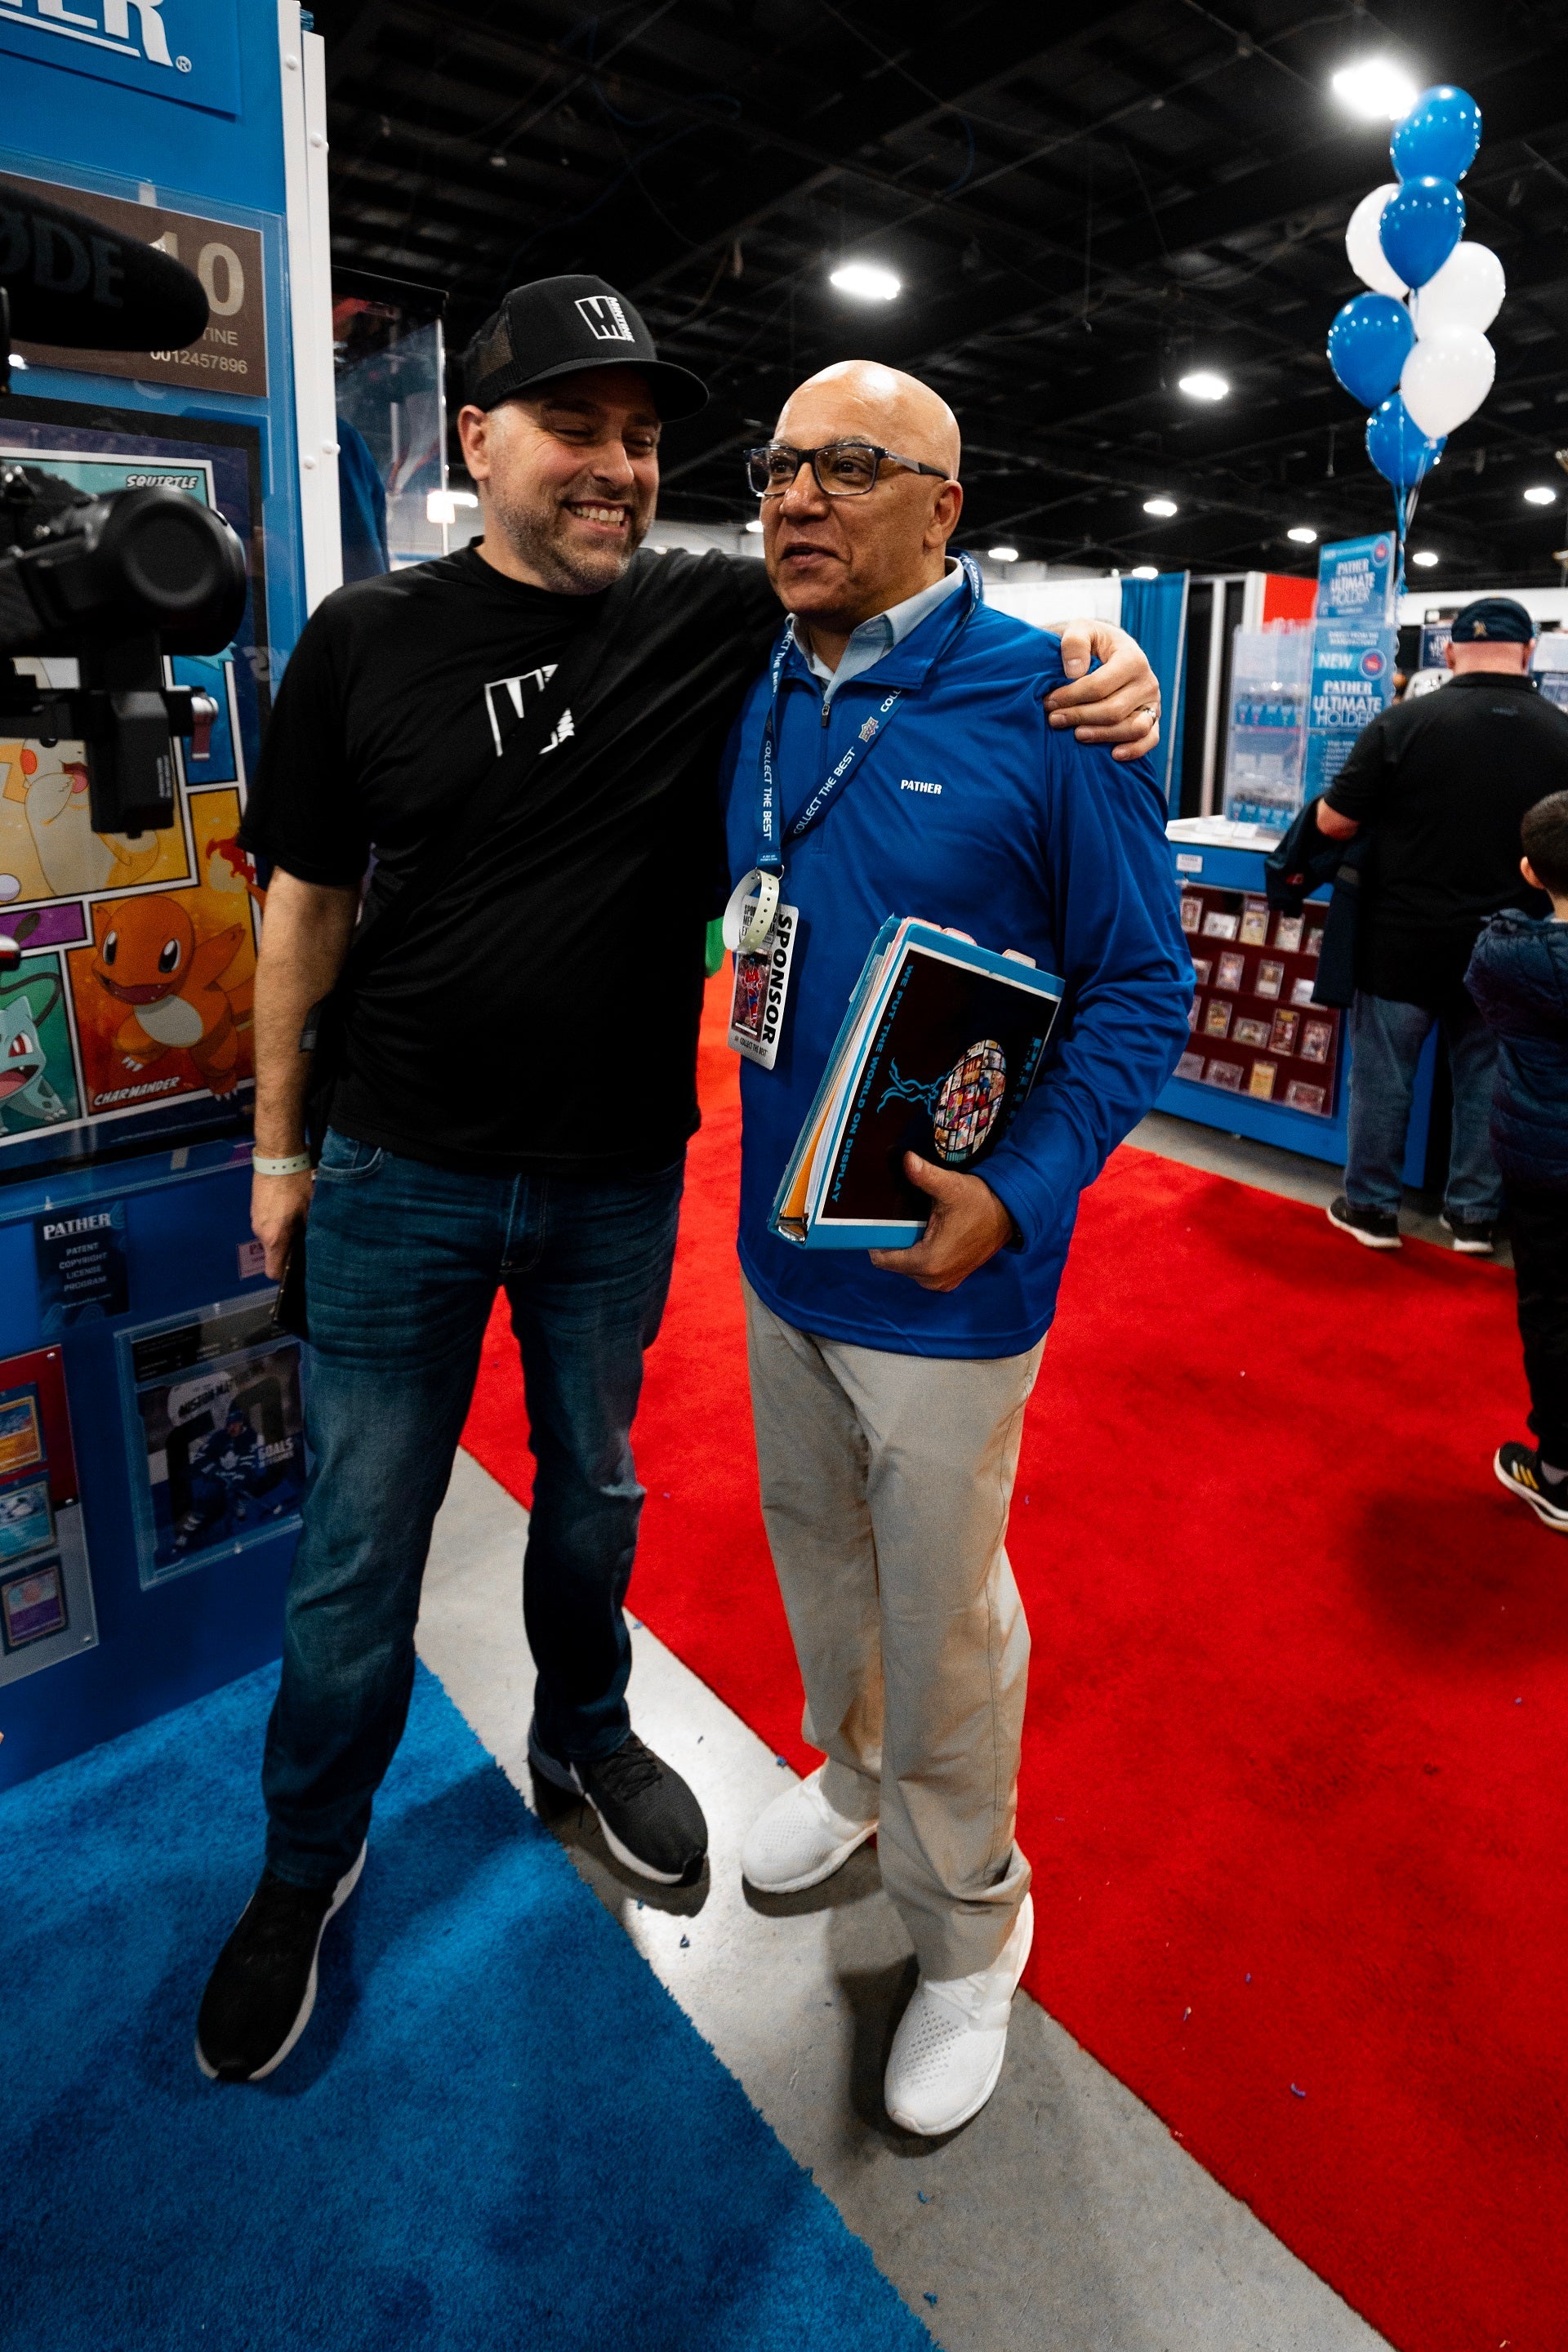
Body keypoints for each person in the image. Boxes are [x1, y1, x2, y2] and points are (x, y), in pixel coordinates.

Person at [194, 275, 1164, 2085]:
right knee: (363, 1550)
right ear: (475, 440)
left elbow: (1122, 945)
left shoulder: (774, 633)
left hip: (673, 1202)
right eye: (575, 428)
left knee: (630, 1512)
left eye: (644, 441)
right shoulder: (417, 641)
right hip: (445, 1179)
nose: (623, 469)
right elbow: (304, 903)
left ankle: (685, 1784)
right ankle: (310, 1863)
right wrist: (277, 1146)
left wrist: (1110, 661)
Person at [723, 362, 1192, 2137]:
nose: (799, 497)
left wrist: (1029, 1184)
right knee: (820, 1566)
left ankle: (971, 1930)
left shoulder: (1057, 705)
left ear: (947, 505)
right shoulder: (764, 682)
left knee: (943, 1623)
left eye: (849, 466)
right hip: (783, 1260)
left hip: (950, 1282)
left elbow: (1143, 986)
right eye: (780, 466)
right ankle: (855, 1779)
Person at [1316, 596, 1568, 1255]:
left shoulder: (1401, 723)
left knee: (1384, 1079)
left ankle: (1371, 1209)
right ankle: (1474, 1217)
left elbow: (1333, 823)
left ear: (1449, 651)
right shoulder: (1562, 733)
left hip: (1402, 938)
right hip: (1511, 943)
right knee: (1490, 1079)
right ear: (1530, 651)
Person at [1468, 791, 1568, 1530]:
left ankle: (1559, 1473)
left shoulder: (1506, 955)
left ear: (1531, 871)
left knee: (1554, 1308)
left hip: (1544, 1163)